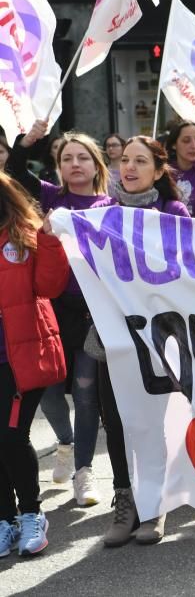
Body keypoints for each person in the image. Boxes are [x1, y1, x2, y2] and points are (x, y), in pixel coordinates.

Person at [9, 123, 115, 508]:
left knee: (86, 395)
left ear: (97, 165)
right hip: (51, 316)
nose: (75, 163)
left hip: (91, 315)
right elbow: (16, 171)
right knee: (51, 395)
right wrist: (27, 142)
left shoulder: (111, 208)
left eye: (82, 157)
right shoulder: (49, 198)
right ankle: (66, 444)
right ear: (58, 167)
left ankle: (84, 472)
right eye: (67, 158)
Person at [101, 136, 190, 548]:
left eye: (140, 161)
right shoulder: (101, 213)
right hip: (110, 337)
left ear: (158, 170)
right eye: (124, 161)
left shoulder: (173, 212)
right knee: (118, 422)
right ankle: (125, 503)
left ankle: (155, 507)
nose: (129, 168)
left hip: (160, 336)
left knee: (154, 422)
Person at [0, 172, 70, 557]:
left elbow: (50, 287)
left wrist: (49, 240)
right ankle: (4, 520)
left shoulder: (23, 231)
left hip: (21, 355)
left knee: (10, 436)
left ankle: (31, 515)